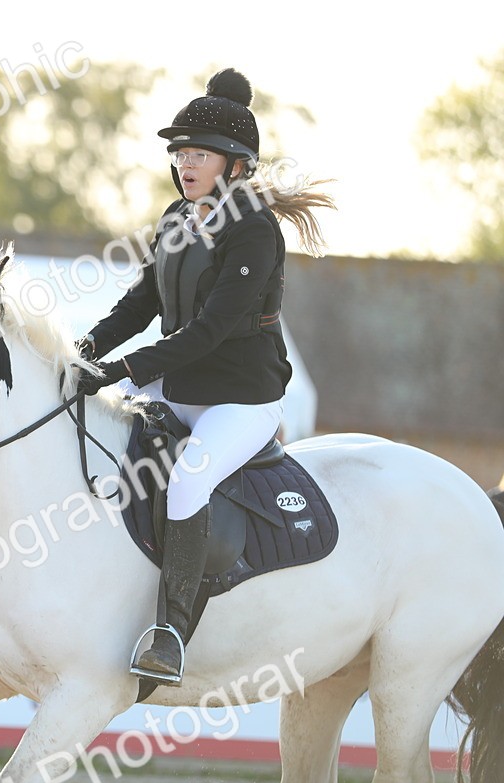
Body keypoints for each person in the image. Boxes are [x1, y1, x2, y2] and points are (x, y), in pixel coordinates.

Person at [76, 68, 334, 684]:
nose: (186, 164)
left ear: (235, 165)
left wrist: (123, 369)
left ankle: (170, 633)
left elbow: (209, 332)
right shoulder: (174, 218)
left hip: (241, 400)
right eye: (181, 153)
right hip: (178, 386)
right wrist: (81, 353)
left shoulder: (252, 229)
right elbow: (139, 306)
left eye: (199, 155)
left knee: (188, 482)